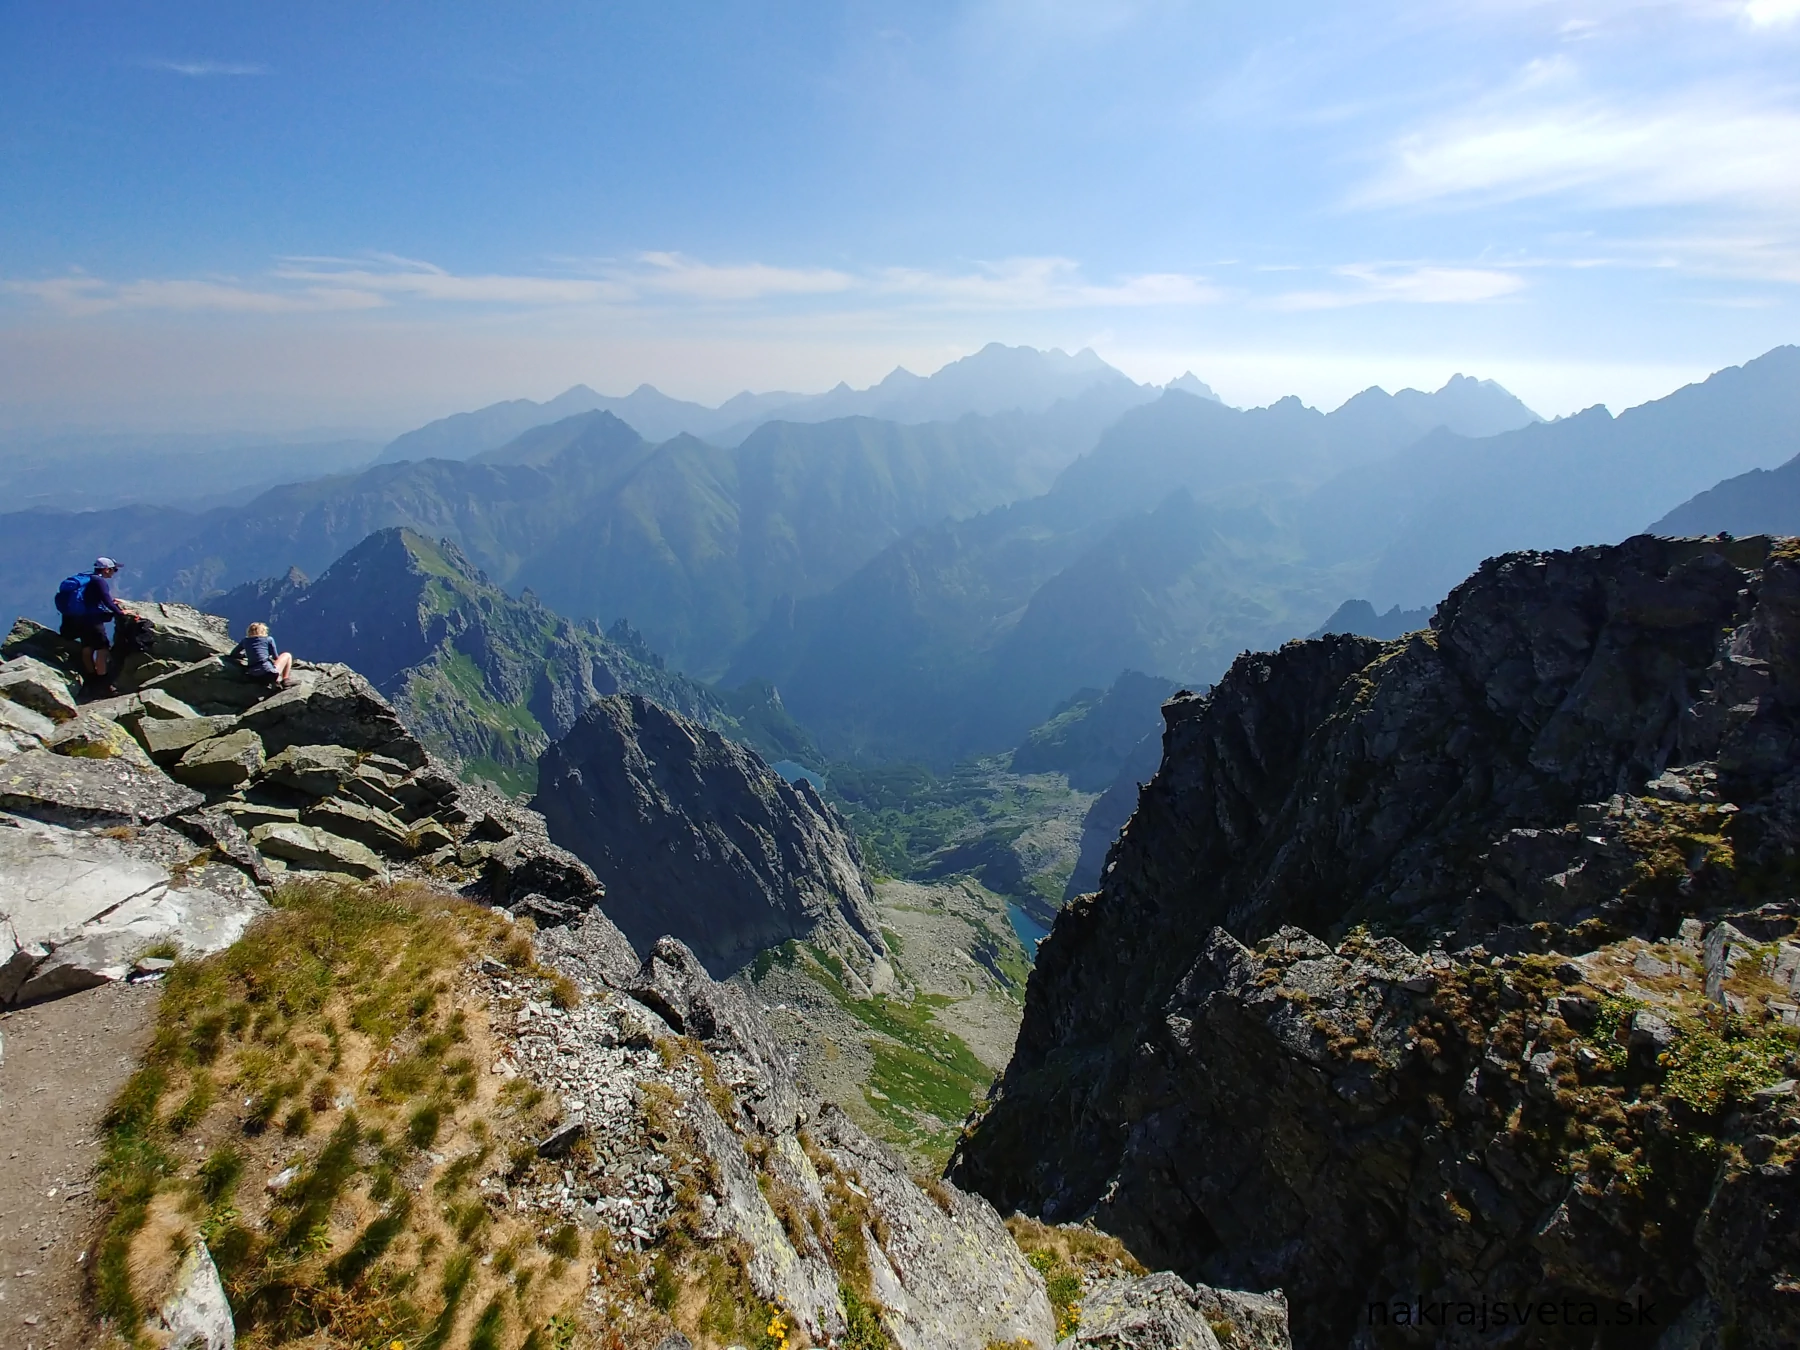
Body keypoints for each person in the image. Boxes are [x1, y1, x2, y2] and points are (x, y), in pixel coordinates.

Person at [57, 557, 137, 689]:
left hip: (78, 619)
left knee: (87, 647)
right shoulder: (99, 581)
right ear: (106, 569)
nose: (114, 572)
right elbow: (106, 600)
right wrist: (120, 612)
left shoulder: (88, 578)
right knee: (102, 648)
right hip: (92, 620)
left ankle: (91, 677)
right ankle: (103, 682)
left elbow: (93, 598)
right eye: (114, 569)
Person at [228, 622, 295, 689]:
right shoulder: (269, 639)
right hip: (268, 674)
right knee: (287, 655)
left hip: (253, 676)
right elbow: (275, 657)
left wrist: (244, 655)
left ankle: (276, 683)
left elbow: (233, 653)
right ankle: (285, 680)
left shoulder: (245, 641)